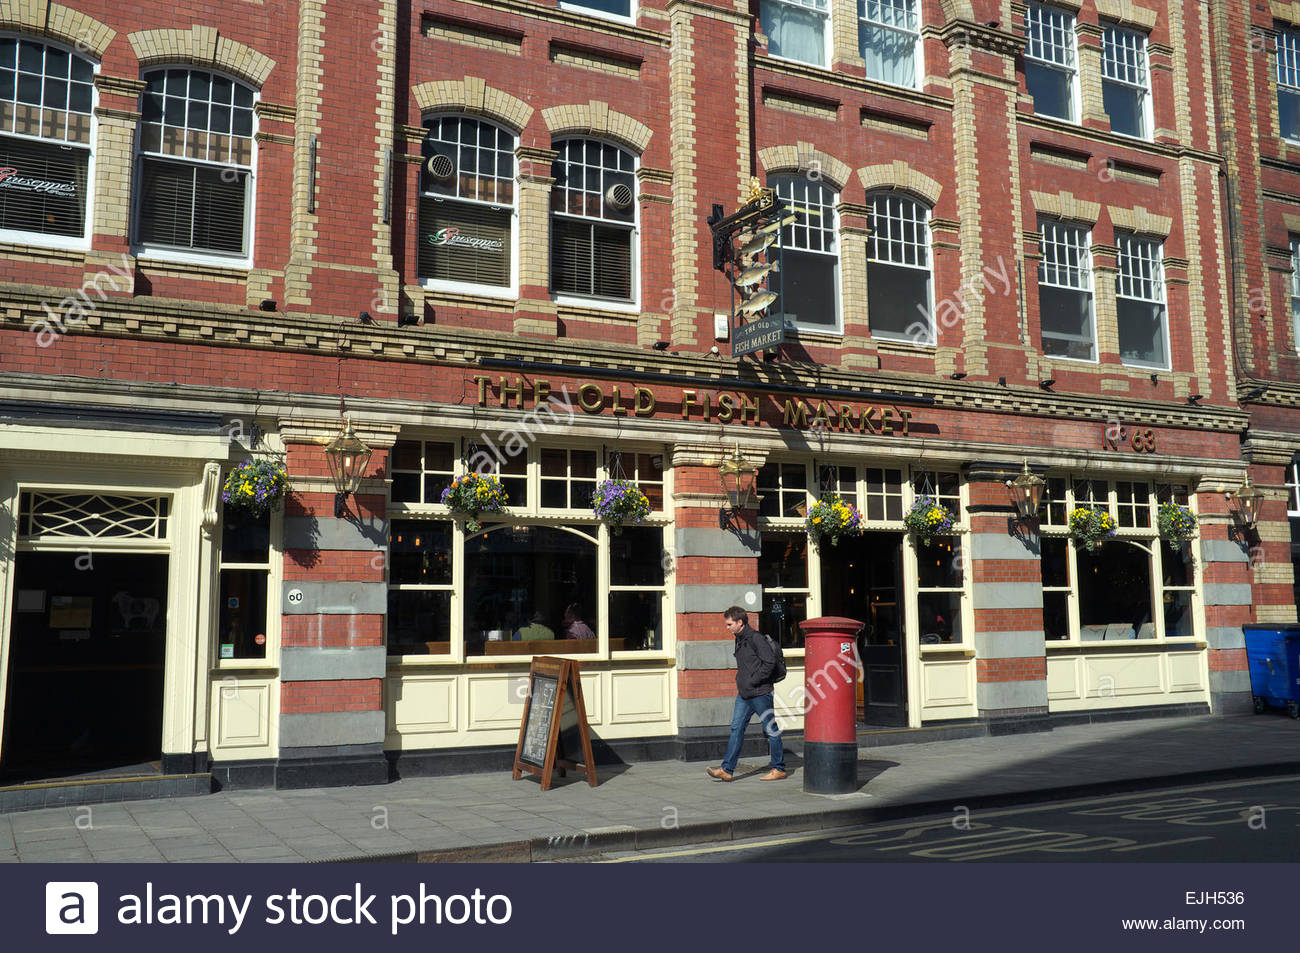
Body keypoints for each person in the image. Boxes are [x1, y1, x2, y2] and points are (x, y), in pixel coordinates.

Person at [706, 606, 787, 782]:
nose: (726, 628)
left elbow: (770, 662)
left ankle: (778, 768)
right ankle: (727, 769)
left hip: (760, 693)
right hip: (744, 694)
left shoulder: (755, 638)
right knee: (736, 728)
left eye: (729, 624)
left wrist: (753, 680)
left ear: (740, 622)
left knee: (770, 729)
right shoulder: (739, 638)